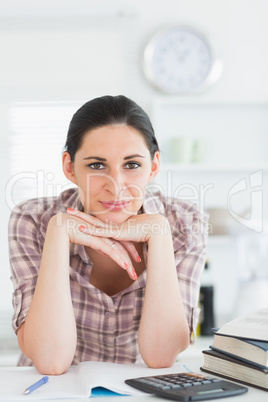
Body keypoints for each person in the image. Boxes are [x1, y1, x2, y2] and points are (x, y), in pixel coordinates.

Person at [8, 95, 208, 375]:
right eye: (97, 165)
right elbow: (50, 361)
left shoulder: (186, 223)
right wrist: (59, 233)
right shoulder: (32, 220)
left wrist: (160, 234)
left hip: (139, 389)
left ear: (153, 166)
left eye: (132, 165)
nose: (116, 188)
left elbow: (162, 356)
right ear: (69, 167)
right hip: (54, 390)